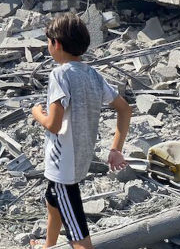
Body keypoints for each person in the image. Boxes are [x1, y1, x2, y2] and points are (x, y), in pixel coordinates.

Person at [31, 13, 132, 248]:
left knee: (79, 237)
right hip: (77, 162)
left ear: (55, 43)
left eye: (48, 42)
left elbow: (53, 125)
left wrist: (37, 113)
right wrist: (115, 148)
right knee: (53, 205)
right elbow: (125, 110)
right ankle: (48, 246)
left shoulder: (59, 74)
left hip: (63, 168)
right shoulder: (93, 75)